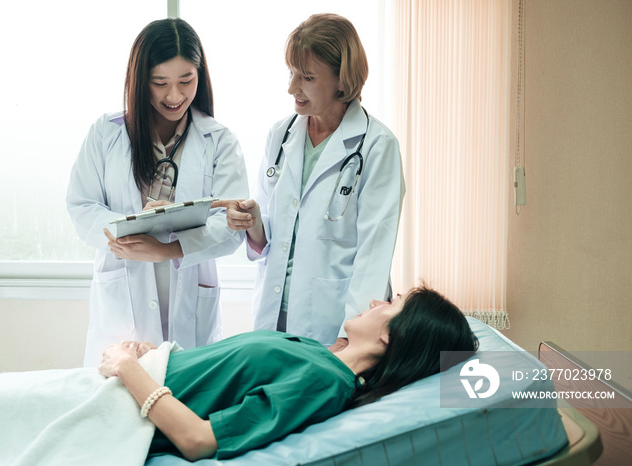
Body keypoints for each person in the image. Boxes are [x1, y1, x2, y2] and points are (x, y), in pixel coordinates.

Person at [101, 285, 478, 460]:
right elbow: (221, 376)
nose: (375, 301)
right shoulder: (319, 354)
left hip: (114, 409)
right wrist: (154, 355)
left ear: (392, 334)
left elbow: (197, 439)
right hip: (116, 385)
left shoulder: (324, 383)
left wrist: (128, 367)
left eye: (393, 302)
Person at [215, 13, 405, 349]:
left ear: (342, 81)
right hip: (275, 313)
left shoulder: (377, 146)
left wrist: (350, 335)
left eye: (307, 77)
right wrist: (254, 222)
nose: (292, 88)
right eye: (291, 73)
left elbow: (374, 251)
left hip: (333, 321)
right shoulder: (281, 134)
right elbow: (271, 239)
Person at [66, 18, 249, 366]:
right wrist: (134, 229)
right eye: (160, 83)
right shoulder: (106, 133)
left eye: (186, 81)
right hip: (124, 295)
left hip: (191, 300)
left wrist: (168, 249)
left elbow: (231, 226)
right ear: (139, 81)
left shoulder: (220, 141)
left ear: (201, 76)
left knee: (184, 402)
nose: (174, 96)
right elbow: (81, 205)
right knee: (120, 403)